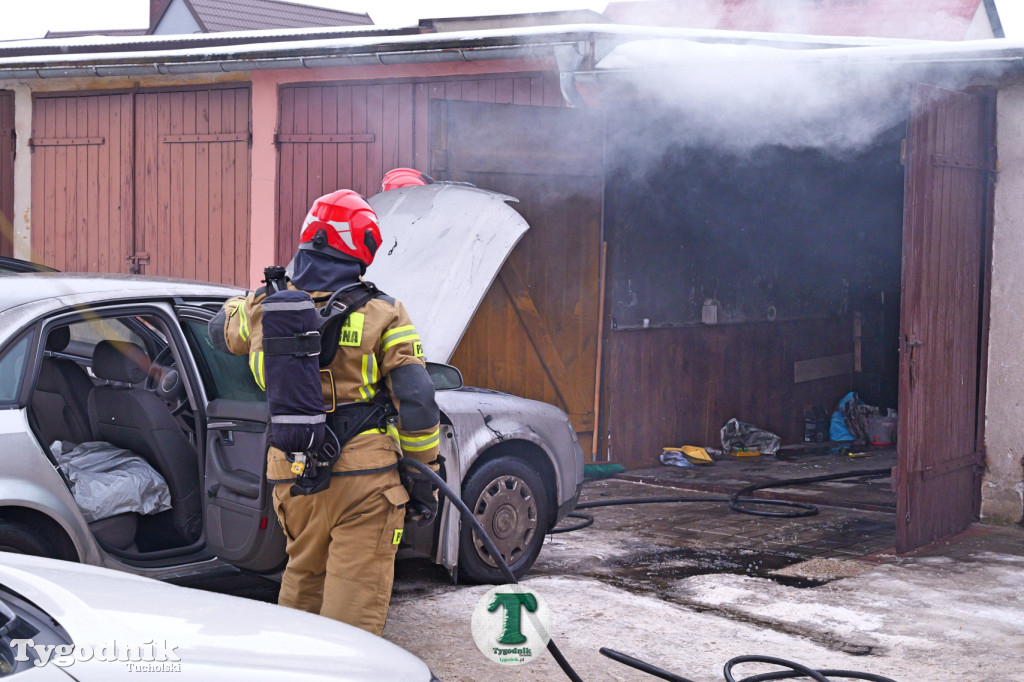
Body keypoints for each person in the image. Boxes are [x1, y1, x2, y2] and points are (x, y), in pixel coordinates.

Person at [213, 189, 441, 635]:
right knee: (352, 616)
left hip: (291, 471)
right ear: (362, 247)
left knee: (302, 585)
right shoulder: (384, 312)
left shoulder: (266, 306)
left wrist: (254, 300)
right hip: (365, 479)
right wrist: (422, 475)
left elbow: (218, 333)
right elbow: (417, 400)